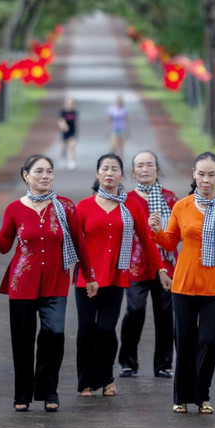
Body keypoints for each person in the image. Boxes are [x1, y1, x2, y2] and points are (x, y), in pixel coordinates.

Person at [0, 155, 98, 412]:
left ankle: (48, 389)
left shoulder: (65, 207)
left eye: (49, 172)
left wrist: (90, 275)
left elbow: (79, 242)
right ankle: (22, 394)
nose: (45, 176)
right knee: (22, 339)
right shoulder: (14, 209)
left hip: (56, 281)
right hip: (22, 282)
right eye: (39, 171)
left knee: (55, 335)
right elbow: (5, 246)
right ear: (26, 176)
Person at [149, 151, 215, 415]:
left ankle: (202, 394)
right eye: (201, 174)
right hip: (184, 284)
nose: (206, 180)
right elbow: (170, 242)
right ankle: (181, 396)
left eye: (211, 174)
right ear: (194, 174)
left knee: (208, 341)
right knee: (184, 341)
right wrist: (157, 230)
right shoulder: (182, 206)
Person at [75, 153, 162, 397]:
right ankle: (86, 382)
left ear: (122, 175)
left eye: (115, 169)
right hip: (87, 280)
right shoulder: (83, 206)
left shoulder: (131, 205)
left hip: (115, 278)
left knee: (106, 329)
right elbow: (76, 245)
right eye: (105, 168)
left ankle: (106, 377)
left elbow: (147, 239)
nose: (110, 173)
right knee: (86, 330)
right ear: (97, 174)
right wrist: (86, 275)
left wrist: (161, 270)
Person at [118, 150, 176, 379]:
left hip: (166, 265)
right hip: (135, 265)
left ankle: (163, 364)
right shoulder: (127, 199)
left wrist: (161, 229)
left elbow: (177, 233)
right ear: (133, 172)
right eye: (139, 166)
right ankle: (128, 361)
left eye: (149, 165)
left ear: (157, 169)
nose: (144, 169)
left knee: (165, 314)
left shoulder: (171, 199)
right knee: (135, 310)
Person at [58, 96, 78, 170]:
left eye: (71, 103)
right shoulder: (63, 112)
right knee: (64, 147)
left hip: (72, 131)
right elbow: (60, 121)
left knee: (72, 146)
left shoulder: (74, 112)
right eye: (68, 103)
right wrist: (64, 126)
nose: (70, 104)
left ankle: (71, 161)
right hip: (64, 132)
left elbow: (76, 121)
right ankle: (63, 157)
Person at [107, 95, 129, 159]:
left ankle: (121, 160)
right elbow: (109, 120)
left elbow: (127, 120)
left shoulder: (124, 109)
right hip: (114, 128)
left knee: (121, 146)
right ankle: (112, 157)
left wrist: (128, 130)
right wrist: (108, 129)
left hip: (122, 128)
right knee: (114, 145)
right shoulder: (111, 109)